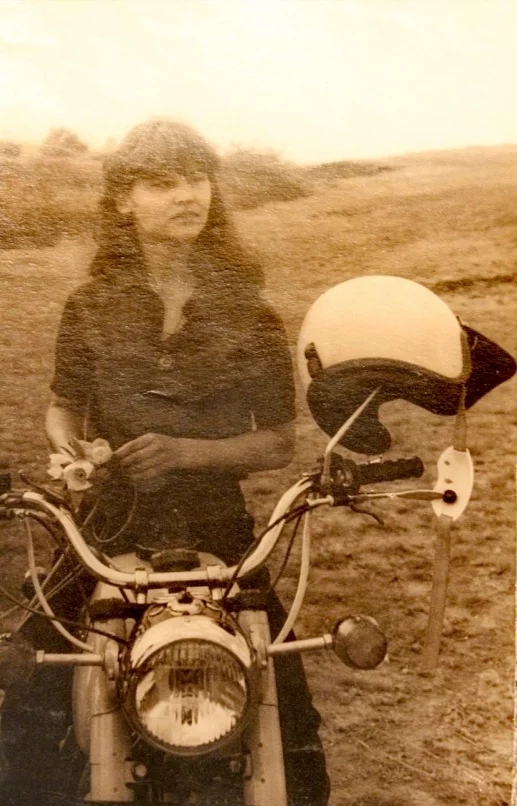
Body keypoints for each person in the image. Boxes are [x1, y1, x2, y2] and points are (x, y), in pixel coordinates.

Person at [8, 119, 329, 805]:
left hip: (219, 537)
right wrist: (72, 452)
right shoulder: (90, 305)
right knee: (28, 716)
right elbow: (64, 404)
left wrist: (188, 452)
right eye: (162, 182)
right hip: (104, 532)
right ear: (123, 200)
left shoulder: (249, 312)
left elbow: (277, 440)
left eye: (196, 177)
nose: (188, 194)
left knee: (292, 730)